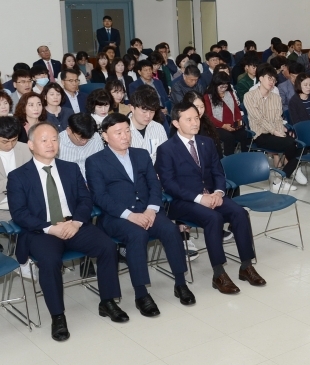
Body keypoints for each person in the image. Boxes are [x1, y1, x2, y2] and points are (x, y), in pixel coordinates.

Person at [8, 122, 126, 342]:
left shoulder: (70, 168)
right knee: (50, 260)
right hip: (41, 231)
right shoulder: (18, 176)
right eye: (44, 140)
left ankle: (107, 301)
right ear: (31, 145)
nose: (51, 144)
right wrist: (52, 228)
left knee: (108, 247)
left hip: (74, 225)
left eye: (54, 139)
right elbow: (20, 213)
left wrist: (77, 223)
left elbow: (85, 199)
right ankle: (58, 315)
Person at [87, 113, 196, 312]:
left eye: (127, 131)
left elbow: (155, 185)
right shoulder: (95, 161)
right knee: (137, 234)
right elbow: (100, 197)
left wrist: (152, 210)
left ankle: (180, 283)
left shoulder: (141, 154)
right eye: (118, 133)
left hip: (147, 211)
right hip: (116, 217)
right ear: (105, 136)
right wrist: (130, 215)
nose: (125, 136)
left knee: (171, 230)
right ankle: (141, 294)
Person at [155, 102, 266, 294]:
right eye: (188, 119)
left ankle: (246, 266)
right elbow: (169, 184)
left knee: (239, 213)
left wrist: (219, 192)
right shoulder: (166, 149)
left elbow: (218, 172)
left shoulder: (206, 143)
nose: (194, 122)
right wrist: (199, 198)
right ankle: (219, 273)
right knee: (213, 218)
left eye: (196, 118)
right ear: (175, 123)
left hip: (211, 196)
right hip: (182, 202)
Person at [243, 64, 304, 191]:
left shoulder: (276, 97)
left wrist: (280, 131)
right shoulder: (249, 96)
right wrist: (275, 131)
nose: (272, 82)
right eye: (269, 78)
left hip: (275, 132)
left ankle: (281, 178)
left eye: (274, 79)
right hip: (260, 134)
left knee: (300, 144)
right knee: (291, 144)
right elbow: (258, 119)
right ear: (260, 78)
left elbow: (278, 118)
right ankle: (291, 170)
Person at [204, 72, 246, 156]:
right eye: (221, 87)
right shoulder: (208, 96)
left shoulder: (229, 93)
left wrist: (237, 123)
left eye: (226, 86)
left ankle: (244, 156)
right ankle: (228, 159)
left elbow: (236, 111)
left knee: (243, 133)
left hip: (232, 124)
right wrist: (223, 126)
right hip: (218, 126)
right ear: (215, 85)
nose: (223, 89)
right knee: (229, 137)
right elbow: (209, 116)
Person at [0, 117, 33, 221]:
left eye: (14, 140)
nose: (10, 145)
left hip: (25, 200)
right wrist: (16, 180)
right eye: (5, 141)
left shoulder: (26, 149)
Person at [57, 112, 104, 178]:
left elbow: (101, 164)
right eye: (81, 138)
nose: (84, 142)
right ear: (69, 130)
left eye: (88, 138)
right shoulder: (58, 142)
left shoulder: (95, 137)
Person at [128, 87, 169, 162]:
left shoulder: (158, 128)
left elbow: (165, 156)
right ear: (132, 108)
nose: (148, 116)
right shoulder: (122, 130)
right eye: (144, 111)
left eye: (152, 111)